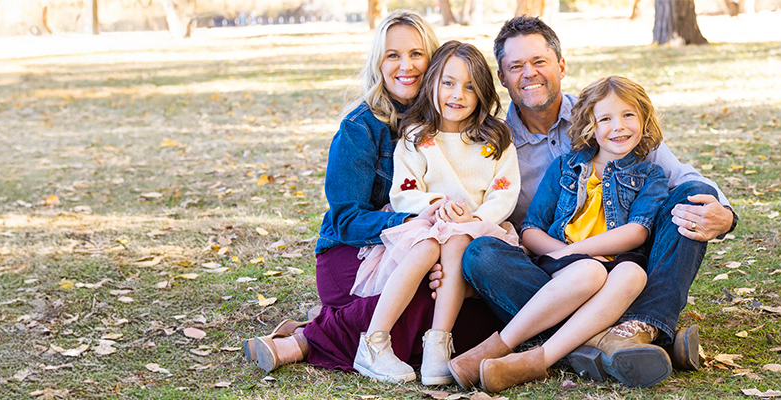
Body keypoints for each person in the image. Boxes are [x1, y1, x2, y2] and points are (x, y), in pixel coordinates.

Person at [439, 16, 739, 388]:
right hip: (548, 274)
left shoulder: (604, 115)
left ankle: (623, 329)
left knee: (691, 198)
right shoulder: (492, 143)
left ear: (561, 66)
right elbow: (476, 210)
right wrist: (446, 262)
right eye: (516, 66)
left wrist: (723, 214)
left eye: (539, 61)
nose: (529, 73)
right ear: (502, 77)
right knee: (482, 254)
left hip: (626, 269)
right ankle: (621, 340)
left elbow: (682, 177)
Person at [241, 11, 503, 375]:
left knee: (463, 305)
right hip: (354, 253)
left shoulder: (452, 121)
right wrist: (414, 223)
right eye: (392, 55)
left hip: (433, 245)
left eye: (416, 54)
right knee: (425, 300)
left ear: (434, 60)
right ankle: (307, 340)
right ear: (378, 63)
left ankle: (330, 323)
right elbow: (345, 217)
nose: (405, 66)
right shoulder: (358, 128)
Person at [448, 75, 671, 392]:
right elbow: (531, 230)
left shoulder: (650, 174)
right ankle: (592, 338)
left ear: (644, 118)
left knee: (633, 273)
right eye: (605, 118)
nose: (618, 126)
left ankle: (536, 359)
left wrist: (580, 252)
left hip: (615, 272)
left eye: (628, 115)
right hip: (561, 269)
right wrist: (567, 255)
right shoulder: (565, 167)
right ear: (589, 125)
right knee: (485, 252)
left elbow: (636, 232)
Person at [349, 40, 519, 385]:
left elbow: (504, 192)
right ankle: (373, 342)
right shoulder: (417, 136)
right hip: (428, 223)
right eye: (448, 83)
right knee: (426, 246)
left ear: (483, 92)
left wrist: (474, 220)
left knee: (457, 243)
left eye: (470, 86)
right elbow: (404, 191)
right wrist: (435, 206)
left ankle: (437, 346)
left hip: (476, 228)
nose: (457, 94)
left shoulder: (495, 139)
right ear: (432, 85)